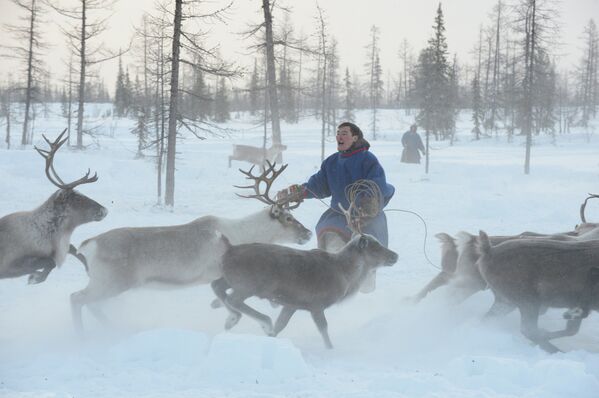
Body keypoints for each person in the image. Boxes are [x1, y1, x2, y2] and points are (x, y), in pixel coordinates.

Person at [277, 122, 395, 292]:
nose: (339, 136)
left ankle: (366, 297)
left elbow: (377, 184)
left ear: (355, 138)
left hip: (365, 218)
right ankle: (332, 291)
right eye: (338, 133)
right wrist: (298, 192)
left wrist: (368, 202)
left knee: (367, 257)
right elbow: (318, 185)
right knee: (332, 252)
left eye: (344, 133)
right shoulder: (331, 162)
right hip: (338, 216)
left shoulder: (368, 159)